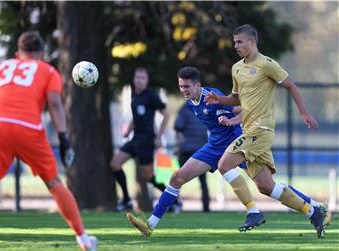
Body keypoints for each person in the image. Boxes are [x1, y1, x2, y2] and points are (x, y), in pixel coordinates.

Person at [126, 66, 330, 238]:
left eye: (187, 86)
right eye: (180, 86)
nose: (183, 90)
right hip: (214, 147)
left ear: (198, 85)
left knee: (267, 187)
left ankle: (312, 207)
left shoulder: (212, 97)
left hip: (237, 144)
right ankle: (150, 225)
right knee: (177, 177)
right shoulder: (190, 102)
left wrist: (231, 120)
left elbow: (243, 109)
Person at [204, 24, 326, 238]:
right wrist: (220, 99)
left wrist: (303, 113)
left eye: (240, 42)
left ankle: (253, 212)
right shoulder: (236, 68)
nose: (236, 46)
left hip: (261, 130)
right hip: (249, 129)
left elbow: (291, 86)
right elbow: (236, 98)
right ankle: (312, 211)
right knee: (266, 187)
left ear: (252, 42)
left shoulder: (267, 64)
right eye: (234, 42)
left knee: (223, 164)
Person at [0, 31, 97, 250]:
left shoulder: (1, 68)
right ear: (42, 54)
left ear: (17, 53)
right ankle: (83, 239)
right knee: (53, 183)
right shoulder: (48, 70)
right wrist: (63, 138)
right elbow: (54, 104)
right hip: (28, 130)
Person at [110, 67, 173, 211]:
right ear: (134, 79)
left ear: (147, 80)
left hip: (146, 140)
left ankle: (171, 198)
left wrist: (159, 136)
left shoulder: (151, 96)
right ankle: (126, 200)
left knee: (148, 176)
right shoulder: (134, 95)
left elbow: (167, 114)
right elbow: (136, 117)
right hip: (135, 139)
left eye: (142, 78)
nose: (139, 80)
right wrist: (128, 130)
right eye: (137, 77)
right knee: (115, 164)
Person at [174, 103, 211, 212]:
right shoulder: (204, 109)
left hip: (186, 150)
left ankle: (175, 205)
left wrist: (178, 146)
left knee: (177, 179)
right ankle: (206, 208)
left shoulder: (184, 110)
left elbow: (178, 128)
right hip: (201, 150)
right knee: (203, 182)